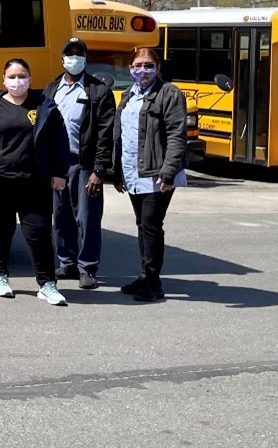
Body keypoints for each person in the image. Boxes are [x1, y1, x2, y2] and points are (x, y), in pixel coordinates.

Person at [0, 58, 72, 305]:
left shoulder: (45, 106)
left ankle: (47, 284)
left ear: (30, 79)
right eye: (12, 77)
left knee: (38, 232)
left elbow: (60, 140)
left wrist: (59, 173)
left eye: (22, 76)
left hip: (34, 181)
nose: (17, 81)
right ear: (3, 80)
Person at [113, 45, 189, 302]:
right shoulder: (127, 95)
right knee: (142, 225)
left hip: (158, 173)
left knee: (151, 225)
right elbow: (122, 135)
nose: (143, 71)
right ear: (130, 69)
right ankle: (145, 276)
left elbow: (177, 135)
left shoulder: (169, 93)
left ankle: (154, 284)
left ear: (158, 68)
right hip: (134, 171)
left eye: (148, 66)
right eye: (137, 66)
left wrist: (168, 172)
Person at [44, 36, 116, 289]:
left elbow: (105, 134)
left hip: (84, 165)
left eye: (79, 53)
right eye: (69, 53)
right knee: (61, 217)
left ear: (85, 58)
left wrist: (99, 170)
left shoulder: (98, 91)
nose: (74, 58)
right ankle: (67, 263)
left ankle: (87, 268)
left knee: (86, 218)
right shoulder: (51, 89)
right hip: (57, 165)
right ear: (62, 58)